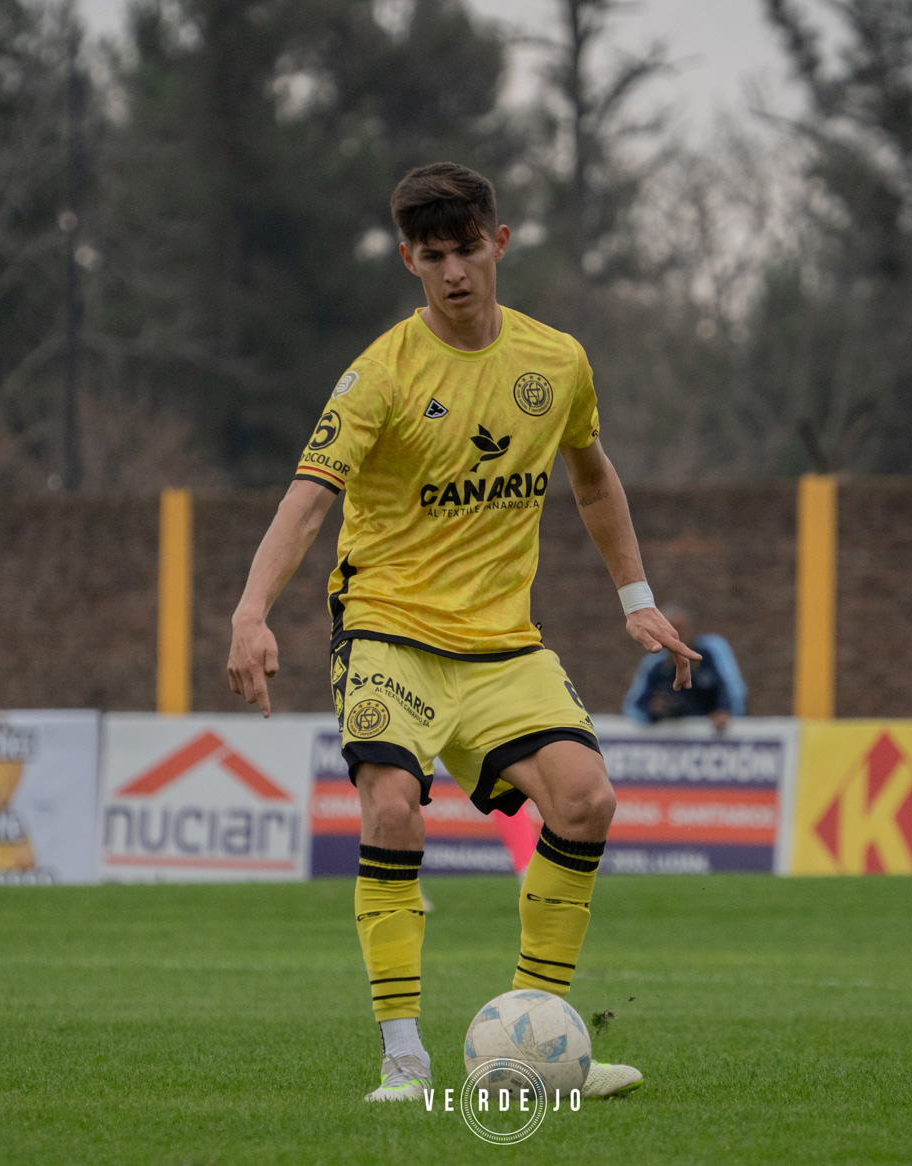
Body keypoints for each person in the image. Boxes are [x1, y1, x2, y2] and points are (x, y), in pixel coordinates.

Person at [226, 162, 697, 1104]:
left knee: (587, 801)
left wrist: (635, 596)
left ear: (500, 245)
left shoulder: (555, 362)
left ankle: (537, 1043)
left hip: (502, 643)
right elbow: (309, 499)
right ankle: (405, 1061)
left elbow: (593, 476)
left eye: (467, 250)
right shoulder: (379, 377)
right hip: (390, 630)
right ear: (409, 260)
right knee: (394, 804)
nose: (453, 272)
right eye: (432, 256)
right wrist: (250, 609)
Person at [622, 604, 747, 731]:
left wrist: (726, 711)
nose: (677, 636)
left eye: (681, 629)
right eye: (670, 631)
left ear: (692, 629)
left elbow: (733, 688)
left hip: (713, 732)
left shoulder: (711, 651)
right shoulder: (655, 664)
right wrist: (652, 709)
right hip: (672, 736)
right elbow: (633, 707)